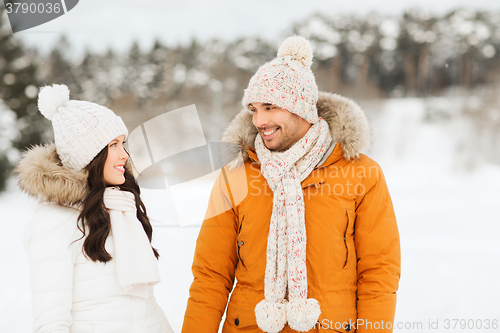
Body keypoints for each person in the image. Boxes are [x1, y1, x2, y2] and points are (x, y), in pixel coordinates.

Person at [182, 36, 401, 333]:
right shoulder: (236, 175)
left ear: (301, 109)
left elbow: (378, 274)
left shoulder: (361, 173)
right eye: (254, 108)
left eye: (270, 107)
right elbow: (211, 275)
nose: (259, 120)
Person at [16, 84, 174, 333]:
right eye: (113, 145)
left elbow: (146, 305)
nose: (124, 155)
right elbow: (51, 323)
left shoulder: (120, 210)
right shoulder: (53, 224)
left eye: (123, 143)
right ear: (88, 156)